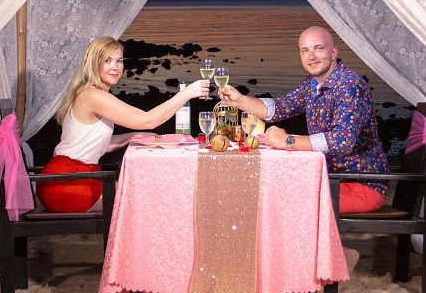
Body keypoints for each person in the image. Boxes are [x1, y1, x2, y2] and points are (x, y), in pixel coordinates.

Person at [218, 26, 389, 213]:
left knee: (282, 204)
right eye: (305, 50)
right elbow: (281, 108)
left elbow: (341, 141)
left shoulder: (350, 85)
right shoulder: (313, 84)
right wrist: (240, 100)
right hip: (330, 180)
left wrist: (288, 141)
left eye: (318, 48)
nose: (311, 56)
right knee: (269, 191)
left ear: (333, 52)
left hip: (361, 187)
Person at [38, 36, 209, 212]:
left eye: (119, 61)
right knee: (150, 199)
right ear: (93, 64)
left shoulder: (88, 93)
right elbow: (148, 120)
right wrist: (186, 94)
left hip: (70, 178)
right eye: (107, 61)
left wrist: (131, 136)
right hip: (67, 183)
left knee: (146, 192)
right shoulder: (93, 96)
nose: (115, 67)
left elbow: (94, 145)